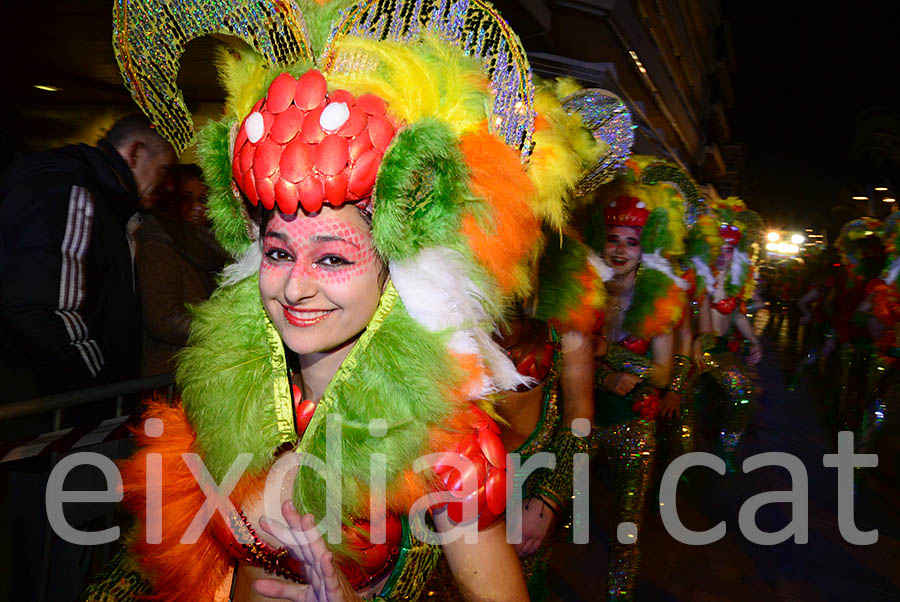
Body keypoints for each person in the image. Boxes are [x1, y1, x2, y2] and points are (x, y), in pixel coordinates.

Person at [80, 1, 612, 600]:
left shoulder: (446, 442)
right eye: (280, 253)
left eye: (333, 258)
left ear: (395, 267)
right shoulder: (227, 386)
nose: (296, 286)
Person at [0, 114, 177, 401]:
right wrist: (101, 390)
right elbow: (43, 311)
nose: (167, 185)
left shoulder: (106, 201)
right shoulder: (72, 192)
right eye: (163, 170)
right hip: (49, 405)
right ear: (134, 153)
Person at [584, 157, 689, 601]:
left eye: (632, 241)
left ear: (647, 248)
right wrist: (606, 375)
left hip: (631, 425)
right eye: (614, 239)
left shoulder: (656, 300)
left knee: (627, 520)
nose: (621, 249)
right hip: (582, 418)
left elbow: (663, 372)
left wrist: (618, 358)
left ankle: (619, 590)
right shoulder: (584, 288)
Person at [688, 197, 762, 470]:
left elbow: (738, 314)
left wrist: (753, 340)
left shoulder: (735, 279)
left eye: (728, 250)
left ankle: (726, 447)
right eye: (717, 248)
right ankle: (677, 461)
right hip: (690, 350)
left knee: (744, 396)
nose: (722, 254)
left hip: (719, 351)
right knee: (686, 409)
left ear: (735, 253)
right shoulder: (694, 274)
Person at [134, 164, 227, 375]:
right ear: (171, 200)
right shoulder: (156, 246)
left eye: (203, 200)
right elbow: (164, 320)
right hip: (170, 376)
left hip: (203, 371)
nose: (197, 207)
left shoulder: (211, 246)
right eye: (187, 198)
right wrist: (223, 330)